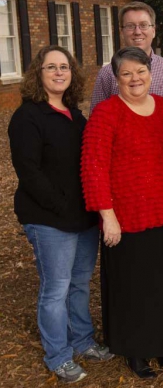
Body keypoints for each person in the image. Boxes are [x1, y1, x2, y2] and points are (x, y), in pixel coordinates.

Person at [81, 47, 163, 380]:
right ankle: (137, 350)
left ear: (151, 72)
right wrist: (107, 215)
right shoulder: (106, 113)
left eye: (140, 71)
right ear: (115, 79)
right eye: (126, 73)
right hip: (126, 218)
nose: (135, 79)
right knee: (133, 286)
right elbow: (93, 167)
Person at [8, 45, 113, 384]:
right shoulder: (28, 117)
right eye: (51, 67)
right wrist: (61, 205)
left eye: (64, 67)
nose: (58, 72)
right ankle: (58, 355)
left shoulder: (74, 114)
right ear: (38, 74)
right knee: (56, 288)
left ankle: (82, 341)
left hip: (83, 216)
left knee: (80, 283)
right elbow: (29, 172)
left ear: (72, 74)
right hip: (49, 218)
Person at [90, 1, 163, 115]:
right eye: (130, 26)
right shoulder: (107, 74)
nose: (137, 32)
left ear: (153, 30)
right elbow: (96, 117)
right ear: (122, 31)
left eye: (143, 25)